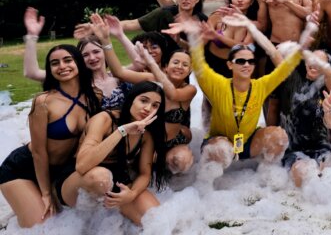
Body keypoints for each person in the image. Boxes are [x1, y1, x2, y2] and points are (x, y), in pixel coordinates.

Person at [172, 17, 305, 180]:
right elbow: (200, 67)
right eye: (240, 61)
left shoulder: (260, 85)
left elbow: (284, 70)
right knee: (222, 148)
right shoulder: (218, 84)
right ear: (230, 65)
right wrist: (194, 37)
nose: (246, 65)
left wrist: (303, 43)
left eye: (250, 61)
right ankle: (209, 185)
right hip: (219, 144)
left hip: (247, 143)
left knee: (279, 136)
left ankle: (266, 176)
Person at [0, 45, 100, 228]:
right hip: (22, 169)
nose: (62, 66)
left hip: (60, 171)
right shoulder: (43, 102)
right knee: (43, 227)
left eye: (68, 60)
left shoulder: (95, 97)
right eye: (55, 63)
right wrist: (46, 193)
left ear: (78, 62)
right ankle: (28, 198)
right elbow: (38, 153)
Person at [92, 14, 198, 175]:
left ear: (190, 70)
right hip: (147, 142)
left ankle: (178, 189)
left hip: (172, 142)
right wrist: (107, 41)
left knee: (181, 161)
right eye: (175, 62)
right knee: (140, 168)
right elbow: (119, 72)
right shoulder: (151, 78)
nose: (179, 67)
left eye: (185, 65)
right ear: (166, 67)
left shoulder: (189, 89)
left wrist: (150, 63)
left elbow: (172, 93)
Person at [59, 82, 167, 226]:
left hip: (116, 180)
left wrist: (132, 194)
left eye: (155, 105)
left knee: (156, 220)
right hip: (78, 179)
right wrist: (122, 131)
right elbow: (82, 165)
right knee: (100, 178)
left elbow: (145, 173)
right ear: (131, 99)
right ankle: (89, 223)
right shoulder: (104, 119)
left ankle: (117, 211)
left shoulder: (146, 134)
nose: (148, 108)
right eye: (143, 100)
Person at [281, 50, 331, 187]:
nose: (314, 64)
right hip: (294, 148)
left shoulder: (327, 88)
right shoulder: (292, 79)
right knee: (303, 172)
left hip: (320, 147)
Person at [204, 0, 259, 77]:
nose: (240, 0)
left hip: (239, 67)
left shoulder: (252, 24)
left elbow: (245, 46)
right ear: (230, 0)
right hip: (212, 64)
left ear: (252, 1)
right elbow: (204, 38)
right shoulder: (217, 16)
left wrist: (218, 36)